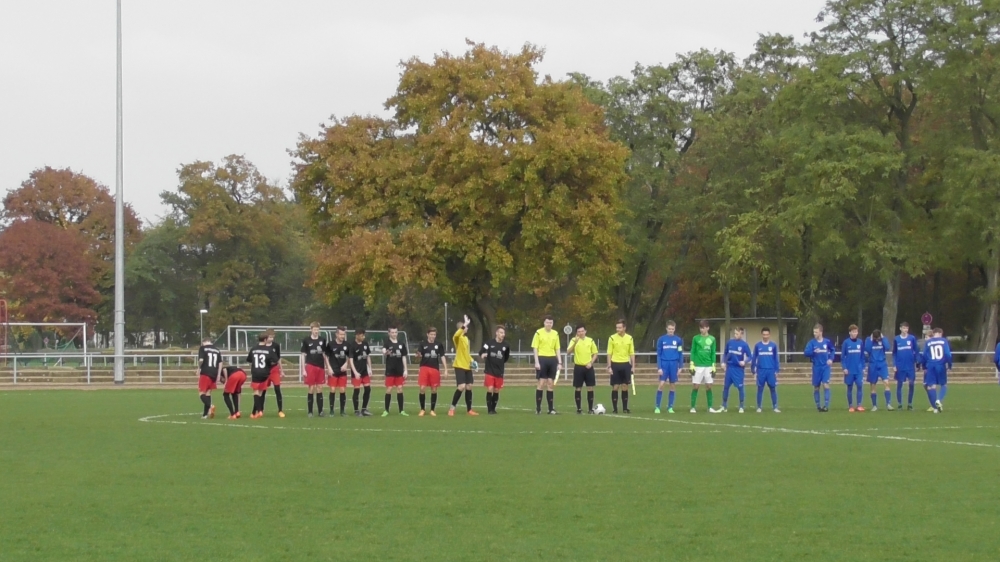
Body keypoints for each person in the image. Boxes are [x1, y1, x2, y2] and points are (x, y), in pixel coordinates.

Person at [532, 315, 562, 415]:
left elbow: (557, 348)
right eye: (547, 322)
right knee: (541, 383)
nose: (549, 324)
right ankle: (538, 408)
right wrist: (536, 362)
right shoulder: (538, 332)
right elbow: (535, 348)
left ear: (552, 324)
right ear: (544, 323)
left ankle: (550, 409)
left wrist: (560, 362)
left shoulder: (555, 334)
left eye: (550, 323)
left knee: (550, 383)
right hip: (542, 359)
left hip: (552, 359)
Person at [300, 322, 331, 417]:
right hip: (310, 366)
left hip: (320, 367)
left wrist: (328, 367)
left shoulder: (322, 340)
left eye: (317, 330)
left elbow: (325, 355)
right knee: (311, 388)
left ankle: (320, 411)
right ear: (311, 329)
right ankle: (310, 411)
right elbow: (302, 355)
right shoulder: (306, 340)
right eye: (314, 329)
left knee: (320, 388)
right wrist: (303, 369)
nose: (316, 331)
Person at [449, 316, 478, 416]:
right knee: (461, 386)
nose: (467, 328)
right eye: (466, 327)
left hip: (467, 366)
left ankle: (469, 409)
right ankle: (452, 408)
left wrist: (473, 361)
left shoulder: (466, 339)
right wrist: (464, 324)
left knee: (469, 386)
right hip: (459, 366)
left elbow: (467, 353)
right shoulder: (457, 338)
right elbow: (456, 335)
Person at [416, 327, 448, 417]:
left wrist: (446, 369)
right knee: (422, 388)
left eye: (434, 335)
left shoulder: (439, 344)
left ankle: (432, 410)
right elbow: (419, 354)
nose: (433, 336)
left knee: (434, 389)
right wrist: (418, 355)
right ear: (427, 334)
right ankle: (422, 409)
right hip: (424, 368)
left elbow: (442, 356)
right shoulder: (422, 344)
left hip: (434, 369)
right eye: (431, 334)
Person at [567, 324, 598, 414]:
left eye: (582, 331)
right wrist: (575, 343)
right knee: (578, 388)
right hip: (578, 367)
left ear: (585, 331)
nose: (580, 333)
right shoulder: (573, 340)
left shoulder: (590, 340)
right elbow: (568, 352)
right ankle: (579, 408)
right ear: (576, 333)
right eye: (578, 331)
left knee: (590, 387)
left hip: (588, 367)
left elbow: (595, 353)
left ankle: (590, 408)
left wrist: (591, 363)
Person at [480, 325, 511, 414]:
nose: (502, 334)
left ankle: (493, 409)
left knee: (496, 390)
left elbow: (506, 357)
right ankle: (489, 409)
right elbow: (481, 351)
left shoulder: (506, 346)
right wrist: (483, 354)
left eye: (503, 333)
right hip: (489, 370)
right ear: (496, 333)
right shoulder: (489, 343)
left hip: (499, 371)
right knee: (490, 389)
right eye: (501, 332)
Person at [720, 327, 752, 413]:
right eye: (734, 333)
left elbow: (750, 356)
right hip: (730, 368)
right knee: (726, 387)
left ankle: (741, 406)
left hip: (738, 369)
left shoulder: (744, 345)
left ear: (742, 334)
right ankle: (724, 405)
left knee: (740, 387)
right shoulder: (730, 342)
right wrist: (723, 362)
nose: (735, 335)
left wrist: (744, 361)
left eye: (737, 334)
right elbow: (725, 353)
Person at [607, 319, 636, 414]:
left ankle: (625, 408)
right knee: (615, 386)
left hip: (625, 364)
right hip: (615, 364)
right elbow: (609, 353)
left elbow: (632, 353)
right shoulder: (612, 338)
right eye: (616, 327)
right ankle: (615, 408)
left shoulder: (630, 338)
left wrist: (633, 366)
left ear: (624, 328)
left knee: (625, 386)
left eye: (619, 327)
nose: (617, 329)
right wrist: (609, 366)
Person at [654, 320, 683, 414]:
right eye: (669, 329)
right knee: (661, 384)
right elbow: (658, 354)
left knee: (672, 385)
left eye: (672, 329)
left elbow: (680, 353)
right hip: (664, 364)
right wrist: (659, 367)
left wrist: (680, 366)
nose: (671, 330)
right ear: (666, 329)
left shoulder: (678, 340)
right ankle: (657, 407)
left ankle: (670, 407)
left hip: (674, 364)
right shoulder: (661, 339)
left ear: (675, 329)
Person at [247, 333, 279, 419]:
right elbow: (275, 361)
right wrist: (268, 363)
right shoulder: (269, 350)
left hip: (256, 372)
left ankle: (259, 410)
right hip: (265, 372)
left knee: (256, 392)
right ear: (265, 340)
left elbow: (249, 360)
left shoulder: (253, 349)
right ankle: (254, 413)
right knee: (260, 392)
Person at [803, 324, 833, 412]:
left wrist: (831, 359)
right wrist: (813, 352)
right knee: (816, 387)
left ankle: (826, 406)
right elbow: (806, 353)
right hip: (816, 367)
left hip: (825, 367)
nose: (814, 333)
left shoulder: (827, 342)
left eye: (816, 332)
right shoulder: (811, 343)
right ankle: (818, 406)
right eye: (814, 332)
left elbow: (832, 350)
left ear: (820, 332)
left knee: (825, 384)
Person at [689, 320, 717, 414]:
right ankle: (692, 407)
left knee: (709, 386)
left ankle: (710, 407)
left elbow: (713, 352)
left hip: (708, 366)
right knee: (696, 386)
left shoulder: (712, 339)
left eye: (703, 327)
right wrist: (692, 364)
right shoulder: (695, 338)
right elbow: (693, 351)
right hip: (698, 366)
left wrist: (713, 365)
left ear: (707, 328)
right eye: (700, 328)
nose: (702, 329)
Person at [921, 328, 951, 413]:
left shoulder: (928, 342)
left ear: (933, 334)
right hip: (940, 365)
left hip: (930, 365)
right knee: (944, 384)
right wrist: (949, 364)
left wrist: (924, 366)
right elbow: (947, 354)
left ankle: (935, 408)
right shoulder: (943, 341)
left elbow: (924, 355)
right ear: (940, 333)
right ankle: (938, 400)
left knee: (931, 386)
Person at [382, 326, 409, 417]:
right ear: (389, 333)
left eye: (395, 332)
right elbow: (384, 351)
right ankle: (386, 410)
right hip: (390, 370)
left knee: (400, 389)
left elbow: (404, 357)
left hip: (399, 370)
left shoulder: (401, 344)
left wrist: (405, 369)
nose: (394, 334)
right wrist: (386, 353)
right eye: (392, 332)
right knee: (389, 389)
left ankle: (401, 410)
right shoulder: (386, 343)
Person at [752, 327, 780, 413]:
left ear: (769, 335)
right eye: (764, 334)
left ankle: (775, 407)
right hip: (761, 370)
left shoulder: (773, 346)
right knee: (760, 388)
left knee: (773, 388)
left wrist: (777, 370)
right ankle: (759, 407)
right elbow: (754, 358)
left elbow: (776, 358)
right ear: (761, 335)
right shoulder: (757, 346)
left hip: (771, 370)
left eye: (767, 334)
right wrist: (753, 370)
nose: (765, 336)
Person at [865, 330, 894, 411]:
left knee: (886, 382)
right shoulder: (869, 340)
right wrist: (871, 339)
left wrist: (883, 338)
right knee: (873, 385)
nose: (877, 339)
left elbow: (887, 347)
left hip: (882, 365)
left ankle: (888, 404)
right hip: (873, 365)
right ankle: (874, 405)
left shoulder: (883, 340)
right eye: (875, 338)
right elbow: (867, 349)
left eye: (878, 338)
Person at [892, 322, 919, 410]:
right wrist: (894, 364)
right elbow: (894, 353)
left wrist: (917, 362)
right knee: (899, 384)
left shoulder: (912, 338)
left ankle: (910, 404)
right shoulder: (896, 339)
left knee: (911, 384)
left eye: (906, 328)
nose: (905, 330)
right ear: (900, 328)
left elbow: (916, 351)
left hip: (910, 366)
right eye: (903, 328)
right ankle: (900, 404)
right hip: (900, 366)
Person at [325, 327, 351, 416]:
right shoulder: (331, 344)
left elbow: (350, 356)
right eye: (340, 334)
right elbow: (326, 356)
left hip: (342, 371)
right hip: (333, 370)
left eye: (343, 334)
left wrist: (346, 364)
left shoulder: (347, 344)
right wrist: (328, 367)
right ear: (336, 334)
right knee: (332, 389)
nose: (342, 336)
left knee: (342, 390)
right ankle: (331, 410)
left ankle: (342, 411)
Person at [196, 337, 223, 419]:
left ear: (204, 342)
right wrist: (218, 375)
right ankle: (205, 414)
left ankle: (210, 406)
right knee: (208, 393)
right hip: (214, 373)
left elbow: (201, 360)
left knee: (201, 393)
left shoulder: (203, 348)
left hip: (205, 372)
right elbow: (220, 363)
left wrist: (198, 368)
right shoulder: (217, 350)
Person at [349, 329, 374, 416]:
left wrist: (370, 368)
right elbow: (351, 360)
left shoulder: (365, 344)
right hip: (357, 372)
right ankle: (356, 410)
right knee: (357, 390)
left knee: (368, 389)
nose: (363, 337)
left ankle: (364, 409)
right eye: (361, 335)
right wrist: (355, 372)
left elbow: (367, 357)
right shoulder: (352, 346)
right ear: (357, 335)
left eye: (364, 335)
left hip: (364, 371)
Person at [841, 325, 866, 412]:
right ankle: (850, 405)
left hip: (858, 369)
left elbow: (862, 356)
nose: (855, 333)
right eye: (853, 332)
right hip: (849, 370)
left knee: (859, 386)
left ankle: (859, 405)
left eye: (856, 332)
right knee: (850, 387)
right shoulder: (846, 343)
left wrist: (863, 366)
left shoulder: (860, 342)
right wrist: (844, 368)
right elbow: (843, 357)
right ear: (850, 332)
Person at [262, 330, 285, 418]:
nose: (271, 339)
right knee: (263, 390)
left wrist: (281, 370)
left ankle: (280, 410)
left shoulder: (276, 346)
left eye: (273, 337)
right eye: (270, 337)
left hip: (274, 369)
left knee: (277, 389)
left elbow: (279, 358)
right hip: (265, 370)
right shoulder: (262, 346)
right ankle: (261, 410)